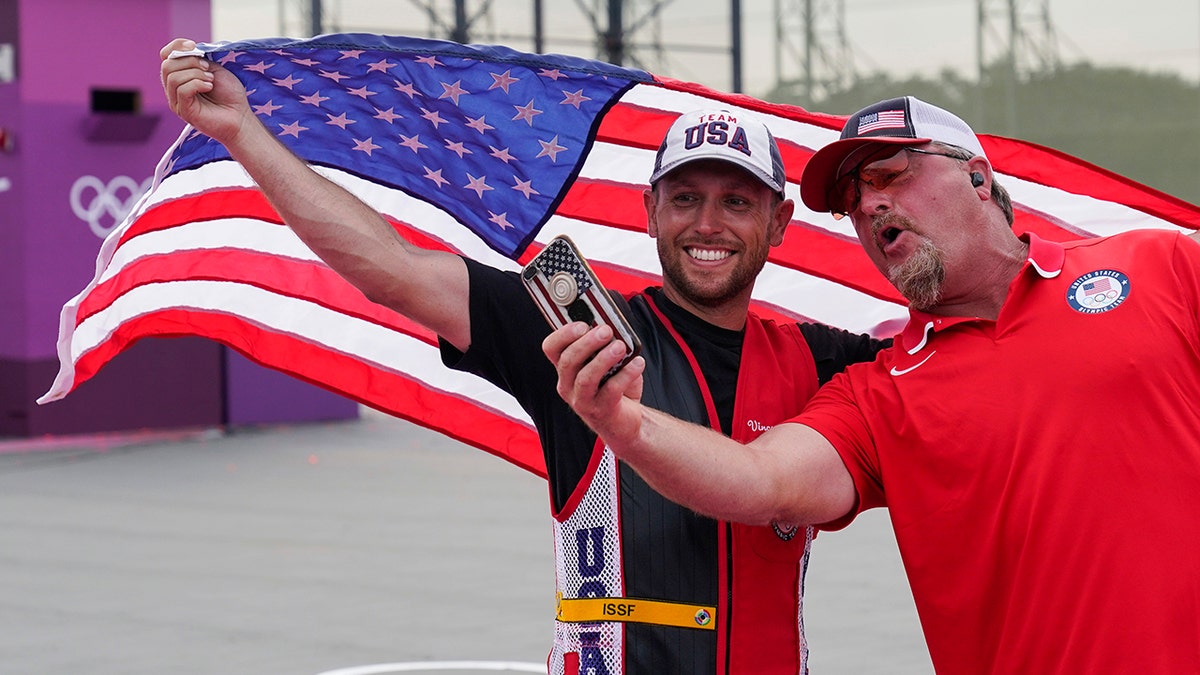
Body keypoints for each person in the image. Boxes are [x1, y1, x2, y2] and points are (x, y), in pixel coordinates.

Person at [160, 38, 889, 674]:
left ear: (780, 222)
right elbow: (392, 268)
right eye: (686, 197)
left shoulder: (825, 360)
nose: (707, 223)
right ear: (651, 211)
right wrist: (243, 132)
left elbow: (955, 367)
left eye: (737, 201)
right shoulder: (577, 336)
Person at [545, 95, 1200, 675]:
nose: (870, 204)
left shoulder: (1160, 266)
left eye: (890, 174)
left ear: (977, 176)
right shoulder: (880, 391)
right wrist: (625, 424)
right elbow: (759, 480)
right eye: (854, 200)